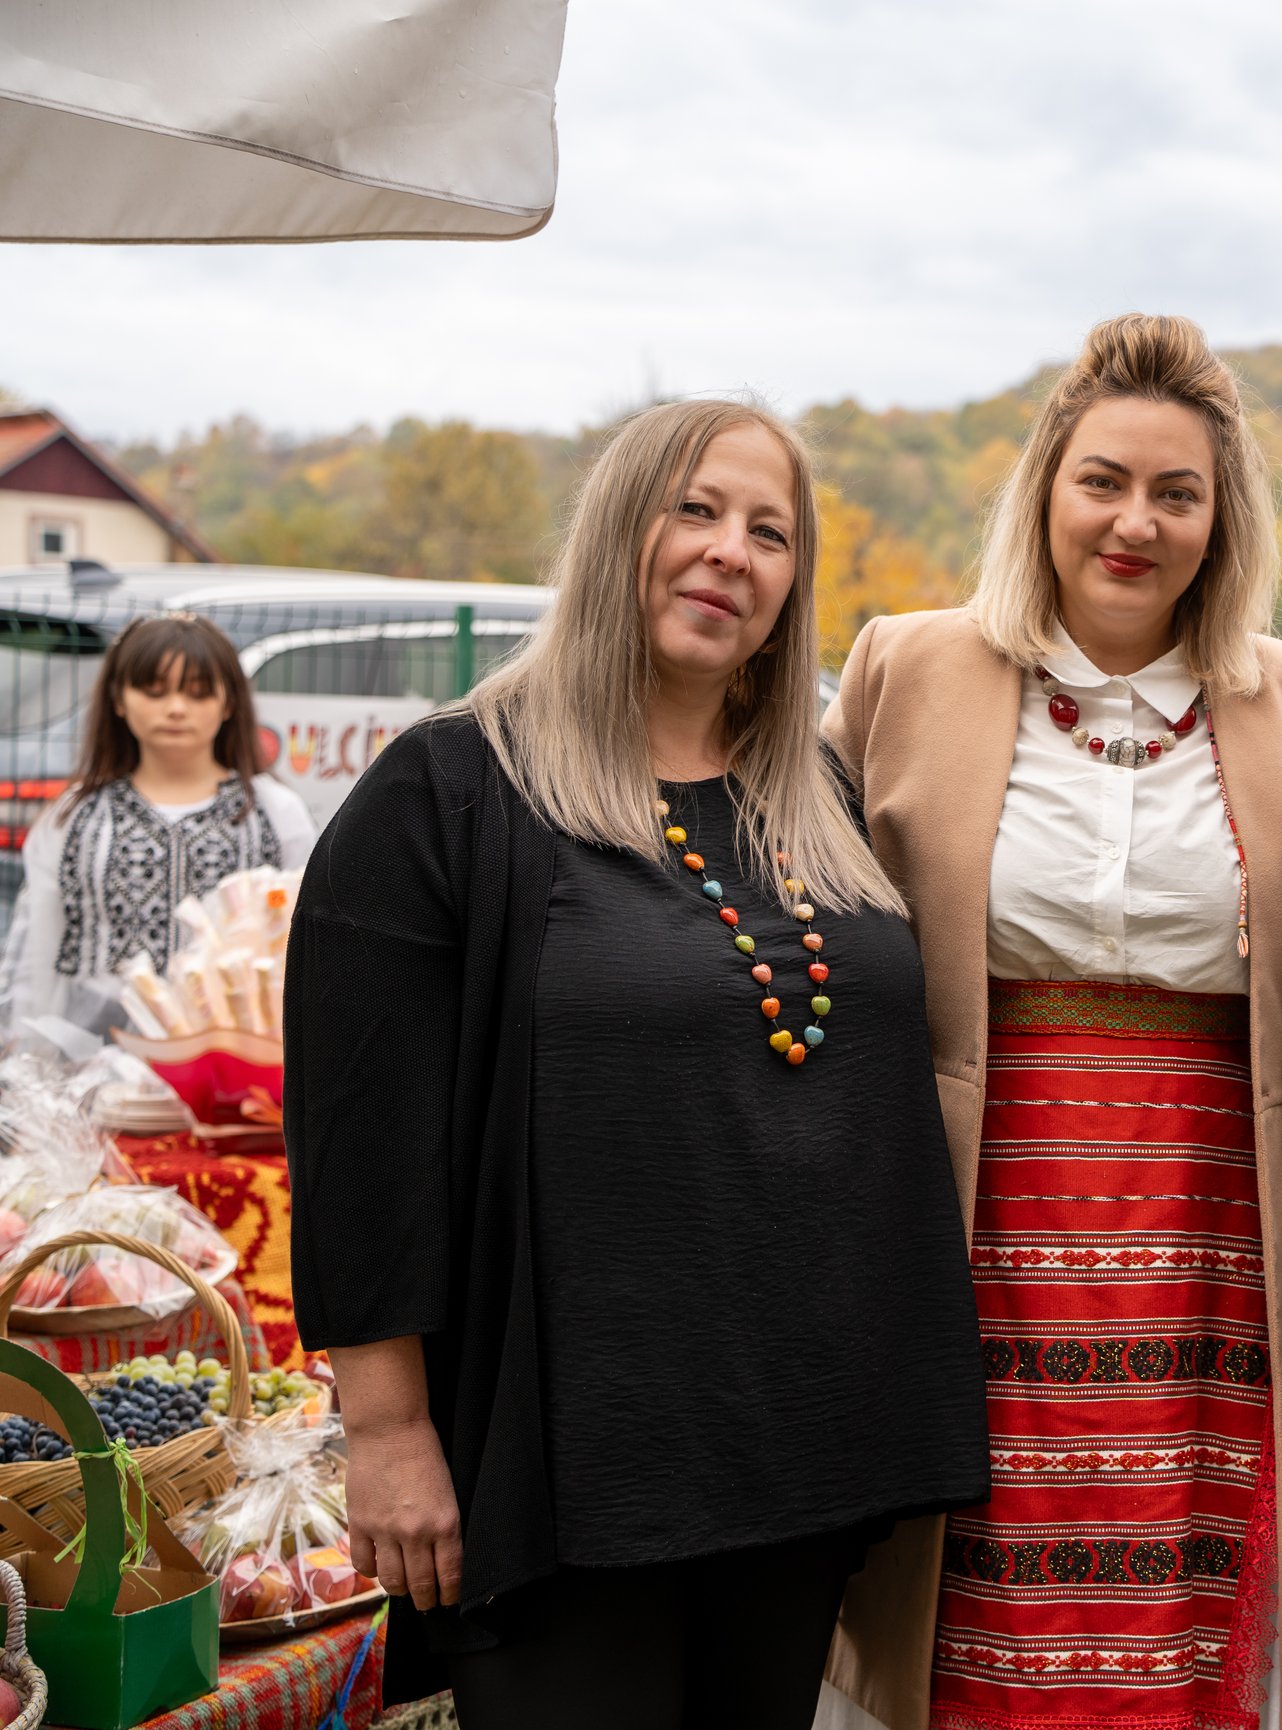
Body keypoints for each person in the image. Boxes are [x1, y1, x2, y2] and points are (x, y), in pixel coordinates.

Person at [285, 399, 988, 1729]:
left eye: (771, 532)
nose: (733, 550)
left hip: (790, 1462)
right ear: (619, 527)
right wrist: (384, 1434)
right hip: (565, 1479)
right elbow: (359, 1141)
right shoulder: (450, 794)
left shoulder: (819, 806)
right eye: (698, 509)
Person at [824, 314, 1282, 1730]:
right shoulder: (905, 670)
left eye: (1176, 493)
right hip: (972, 1200)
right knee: (975, 1553)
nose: (1136, 522)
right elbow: (799, 909)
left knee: (1186, 1575)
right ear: (1046, 491)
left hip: (1216, 1225)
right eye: (1104, 481)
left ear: (1221, 516)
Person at [1, 613, 313, 1037]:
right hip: (91, 1073)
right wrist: (23, 1057)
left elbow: (304, 947)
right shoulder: (76, 817)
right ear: (118, 699)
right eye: (154, 691)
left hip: (237, 1076)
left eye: (199, 693)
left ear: (229, 703)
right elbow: (35, 948)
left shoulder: (276, 813)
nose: (176, 709)